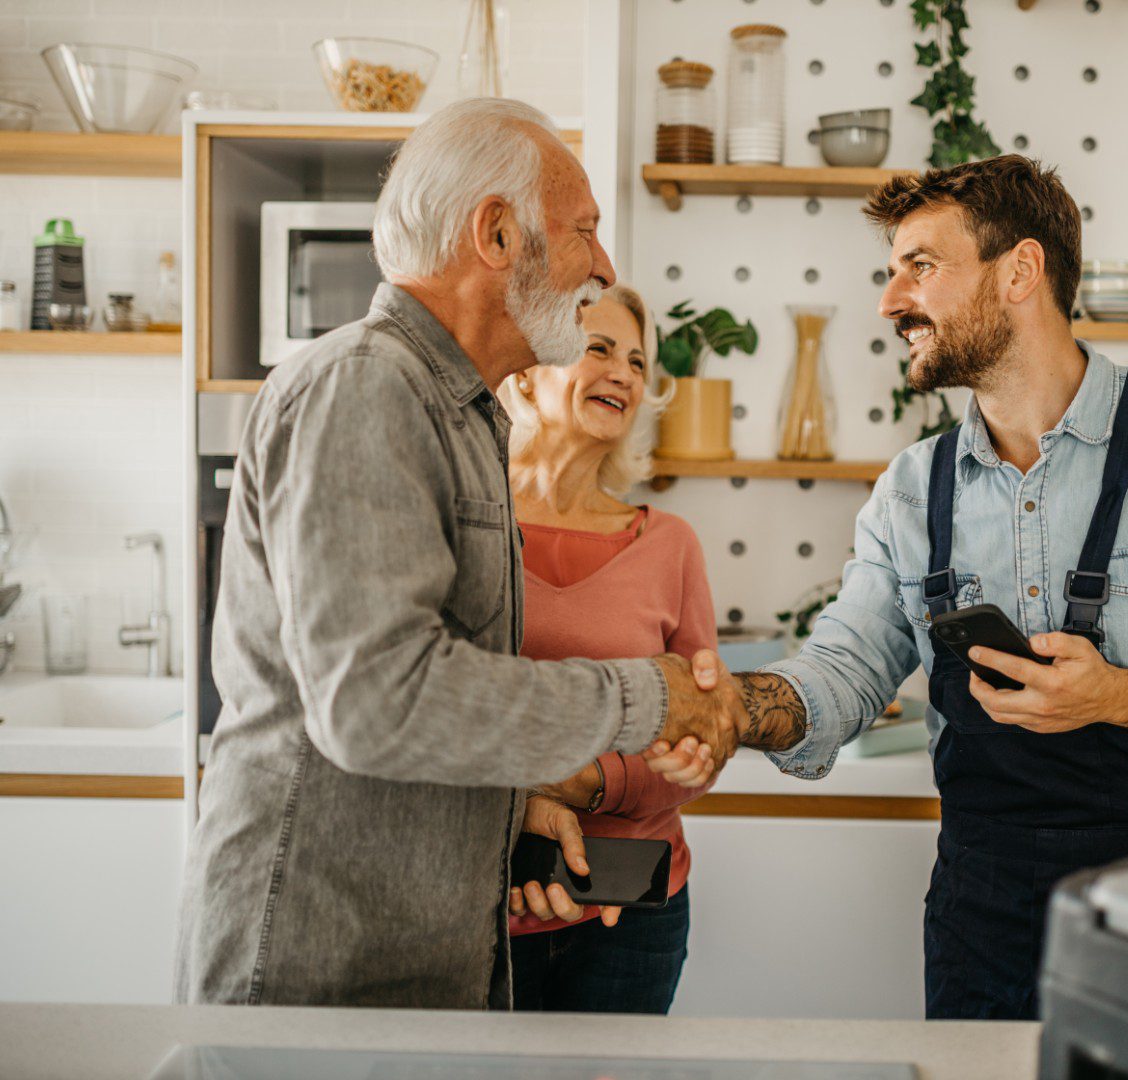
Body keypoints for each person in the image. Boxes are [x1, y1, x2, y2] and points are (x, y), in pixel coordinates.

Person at [651, 155, 1128, 1020]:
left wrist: (1119, 697)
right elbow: (843, 670)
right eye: (890, 272)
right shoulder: (913, 489)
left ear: (1021, 270)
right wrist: (732, 710)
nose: (890, 301)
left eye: (921, 266)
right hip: (981, 913)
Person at [175, 98, 742, 1010]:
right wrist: (644, 696)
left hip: (405, 968)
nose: (601, 265)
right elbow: (375, 699)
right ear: (497, 233)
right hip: (323, 976)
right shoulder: (366, 387)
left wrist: (511, 810)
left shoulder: (458, 413)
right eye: (584, 231)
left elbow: (416, 710)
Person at [499, 284, 715, 1013]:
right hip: (482, 907)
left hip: (631, 915)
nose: (623, 372)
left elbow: (700, 738)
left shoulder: (670, 544)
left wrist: (591, 782)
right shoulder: (472, 524)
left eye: (635, 360)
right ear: (528, 370)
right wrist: (516, 808)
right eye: (598, 349)